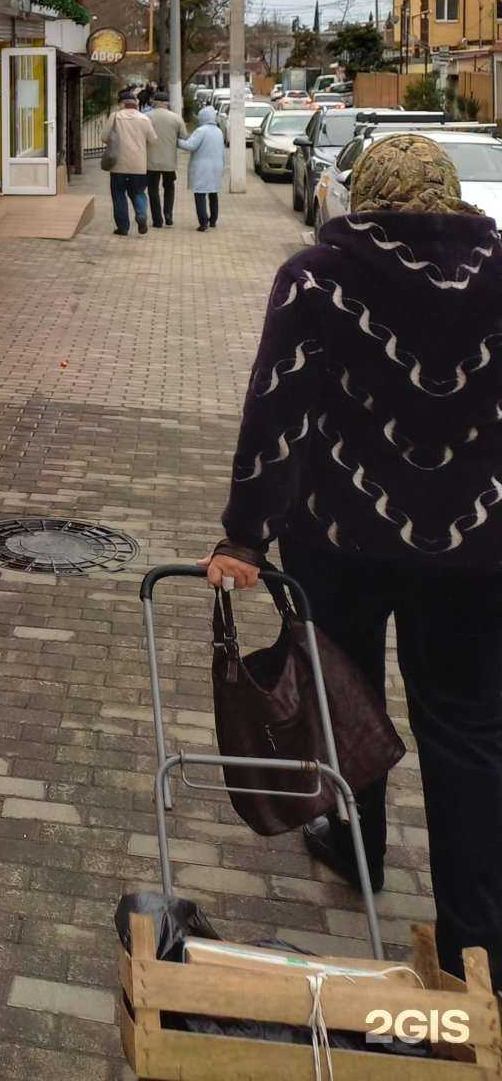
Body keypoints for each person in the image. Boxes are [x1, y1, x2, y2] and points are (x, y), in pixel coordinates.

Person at [205, 134, 502, 988]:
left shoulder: (319, 276)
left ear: (363, 198)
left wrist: (244, 534)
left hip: (342, 541)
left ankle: (358, 846)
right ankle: (473, 938)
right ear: (452, 199)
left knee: (345, 700)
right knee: (470, 730)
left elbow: (278, 406)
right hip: (478, 555)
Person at [103, 93, 156, 236]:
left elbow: (104, 137)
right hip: (138, 166)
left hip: (118, 165)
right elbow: (153, 140)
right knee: (138, 193)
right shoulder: (144, 119)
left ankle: (123, 228)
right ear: (136, 104)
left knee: (119, 195)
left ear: (122, 104)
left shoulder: (115, 117)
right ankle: (141, 215)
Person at [178, 103, 225, 230]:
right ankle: (213, 220)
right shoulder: (219, 131)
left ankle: (203, 222)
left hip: (202, 167)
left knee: (200, 193)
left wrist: (177, 141)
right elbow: (223, 151)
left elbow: (190, 146)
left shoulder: (201, 131)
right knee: (213, 193)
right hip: (217, 166)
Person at [142, 92, 184, 228]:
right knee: (169, 188)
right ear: (167, 103)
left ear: (155, 101)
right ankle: (168, 214)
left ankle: (157, 219)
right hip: (169, 161)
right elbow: (184, 135)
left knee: (153, 190)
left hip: (151, 161)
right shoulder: (176, 118)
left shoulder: (146, 117)